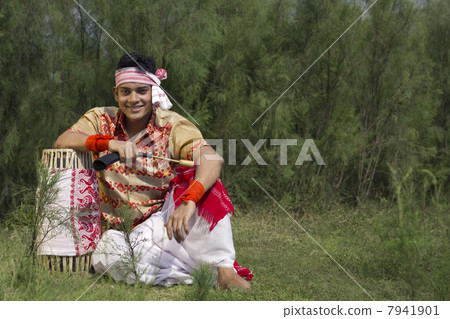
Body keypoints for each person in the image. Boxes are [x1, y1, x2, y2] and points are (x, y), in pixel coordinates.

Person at [54, 52, 252, 289]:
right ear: (116, 93)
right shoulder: (100, 118)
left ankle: (224, 269)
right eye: (125, 91)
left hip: (166, 223)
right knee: (106, 255)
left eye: (141, 91)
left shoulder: (171, 124)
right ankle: (206, 276)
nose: (133, 99)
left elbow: (212, 159)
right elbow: (63, 140)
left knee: (201, 181)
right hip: (126, 233)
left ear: (153, 92)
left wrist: (189, 202)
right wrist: (109, 143)